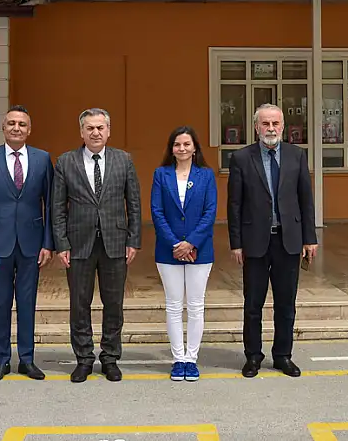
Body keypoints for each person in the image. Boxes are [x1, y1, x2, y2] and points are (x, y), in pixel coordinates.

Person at [51, 107, 142, 383]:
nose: (95, 132)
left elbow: (134, 204)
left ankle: (110, 358)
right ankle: (84, 359)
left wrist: (134, 239)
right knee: (80, 304)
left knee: (113, 303)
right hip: (79, 244)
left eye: (100, 127)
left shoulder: (123, 160)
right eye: (89, 128)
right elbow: (57, 207)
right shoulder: (66, 162)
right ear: (81, 132)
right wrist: (61, 244)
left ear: (108, 131)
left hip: (115, 242)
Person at [227, 103, 318, 379]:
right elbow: (234, 204)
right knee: (253, 304)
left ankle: (283, 356)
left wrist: (309, 238)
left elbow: (306, 200)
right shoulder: (242, 158)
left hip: (288, 241)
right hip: (255, 242)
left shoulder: (296, 156)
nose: (270, 129)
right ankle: (253, 356)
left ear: (282, 126)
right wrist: (236, 243)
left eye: (275, 124)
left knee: (285, 303)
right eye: (265, 124)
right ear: (256, 127)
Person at [0, 105, 54, 382]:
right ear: (3, 128)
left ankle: (27, 360)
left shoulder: (43, 159)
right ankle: (2, 360)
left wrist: (48, 243)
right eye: (11, 124)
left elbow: (50, 204)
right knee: (1, 303)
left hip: (32, 244)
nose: (16, 128)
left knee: (28, 303)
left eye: (22, 124)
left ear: (29, 130)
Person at [150, 126, 217, 382]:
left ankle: (192, 358)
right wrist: (176, 244)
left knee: (196, 306)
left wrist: (191, 243)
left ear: (195, 147)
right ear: (172, 148)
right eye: (177, 144)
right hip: (169, 251)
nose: (182, 149)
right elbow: (157, 212)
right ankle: (178, 359)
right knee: (174, 305)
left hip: (200, 250)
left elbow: (210, 212)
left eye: (186, 144)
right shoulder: (161, 174)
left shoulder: (206, 175)